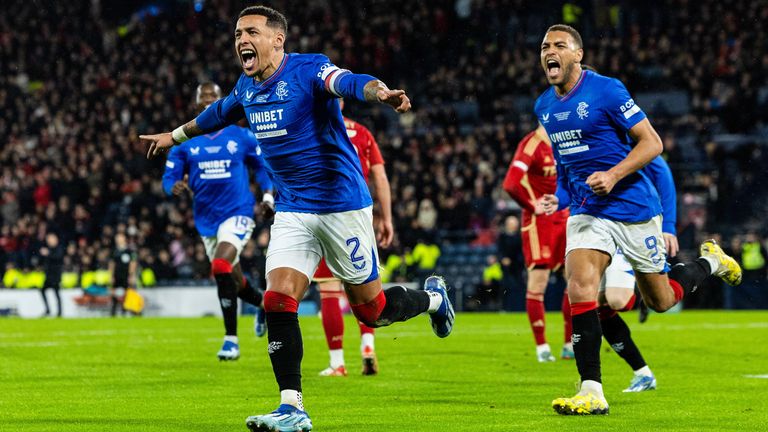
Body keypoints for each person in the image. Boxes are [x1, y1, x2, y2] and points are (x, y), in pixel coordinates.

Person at [140, 6, 455, 432]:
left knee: (373, 312)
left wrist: (379, 92)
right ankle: (292, 406)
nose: (241, 40)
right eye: (237, 34)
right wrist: (173, 136)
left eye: (251, 32)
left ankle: (434, 300)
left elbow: (347, 82)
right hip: (293, 210)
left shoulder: (308, 70)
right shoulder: (246, 88)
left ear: (277, 40)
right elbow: (215, 115)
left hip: (342, 206)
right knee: (277, 298)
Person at [536, 24, 742, 415]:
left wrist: (614, 176)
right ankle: (591, 391)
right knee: (580, 287)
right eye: (545, 46)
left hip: (633, 208)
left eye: (560, 45)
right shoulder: (544, 106)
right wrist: (558, 198)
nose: (550, 51)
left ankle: (711, 262)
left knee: (660, 300)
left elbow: (653, 143)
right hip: (588, 211)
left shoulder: (607, 90)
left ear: (578, 54)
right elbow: (566, 169)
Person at [162, 82, 274, 361]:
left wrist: (267, 196)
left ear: (221, 100)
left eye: (213, 96)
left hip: (238, 212)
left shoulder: (242, 136)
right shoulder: (186, 141)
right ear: (197, 102)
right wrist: (173, 186)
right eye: (204, 96)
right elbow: (169, 177)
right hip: (206, 219)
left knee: (221, 265)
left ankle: (231, 340)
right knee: (231, 277)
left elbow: (262, 168)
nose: (208, 99)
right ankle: (263, 303)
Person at [315, 100, 393, 377]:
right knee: (363, 285)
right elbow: (380, 177)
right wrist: (387, 218)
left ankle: (337, 362)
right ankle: (368, 345)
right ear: (342, 100)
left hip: (325, 214)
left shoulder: (311, 127)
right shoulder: (362, 133)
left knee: (329, 291)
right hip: (358, 216)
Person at [595, 155, 678, 393]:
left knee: (618, 301)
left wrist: (668, 226)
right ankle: (642, 374)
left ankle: (646, 290)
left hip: (631, 224)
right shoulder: (585, 144)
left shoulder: (628, 141)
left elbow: (662, 175)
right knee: (595, 305)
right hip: (598, 225)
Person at [503, 128, 572, 362]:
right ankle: (542, 347)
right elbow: (510, 184)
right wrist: (532, 205)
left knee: (574, 281)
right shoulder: (531, 145)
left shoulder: (565, 137)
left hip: (566, 217)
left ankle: (569, 344)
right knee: (538, 283)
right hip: (539, 222)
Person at [108, 232, 137, 317]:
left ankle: (124, 310)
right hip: (116, 275)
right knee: (114, 293)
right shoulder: (114, 251)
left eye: (120, 238)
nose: (118, 240)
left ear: (124, 239)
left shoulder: (130, 251)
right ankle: (113, 311)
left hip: (126, 276)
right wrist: (111, 276)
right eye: (117, 238)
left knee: (126, 293)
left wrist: (131, 275)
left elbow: (133, 263)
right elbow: (111, 264)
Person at [39, 232, 64, 317]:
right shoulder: (49, 249)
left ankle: (59, 312)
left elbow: (58, 257)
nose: (49, 241)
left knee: (57, 293)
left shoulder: (58, 248)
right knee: (43, 290)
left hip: (55, 276)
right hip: (49, 276)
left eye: (51, 239)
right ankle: (48, 310)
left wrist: (48, 253)